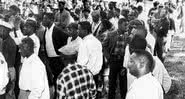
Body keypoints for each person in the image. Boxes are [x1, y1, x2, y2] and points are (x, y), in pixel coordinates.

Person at [103, 18, 128, 99]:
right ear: (119, 25)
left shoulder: (127, 36)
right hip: (113, 60)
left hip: (123, 62)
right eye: (125, 25)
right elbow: (104, 46)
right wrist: (108, 57)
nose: (126, 27)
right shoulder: (111, 34)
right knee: (112, 82)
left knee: (123, 82)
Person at [77, 21, 103, 91]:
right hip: (95, 74)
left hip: (85, 75)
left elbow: (82, 62)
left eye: (79, 29)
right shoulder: (97, 41)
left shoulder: (85, 43)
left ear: (85, 31)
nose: (77, 31)